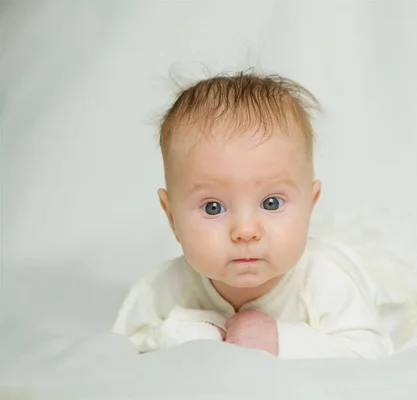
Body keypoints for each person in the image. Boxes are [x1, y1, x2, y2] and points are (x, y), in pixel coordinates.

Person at [111, 71, 400, 359]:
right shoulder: (163, 288)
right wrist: (182, 336)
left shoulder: (323, 281)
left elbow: (370, 351)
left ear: (310, 206)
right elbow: (125, 345)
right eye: (214, 207)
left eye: (272, 203)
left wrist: (279, 340)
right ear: (172, 218)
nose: (245, 230)